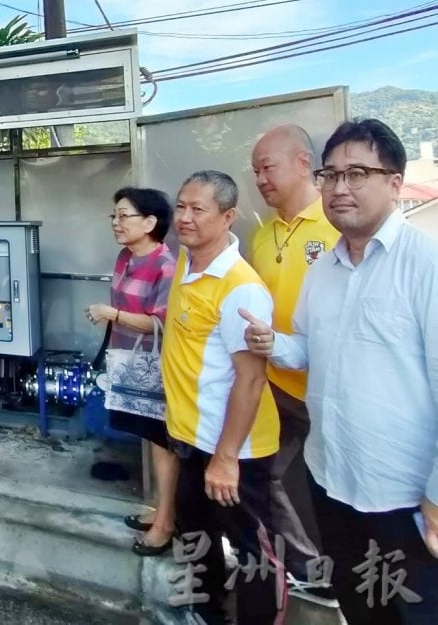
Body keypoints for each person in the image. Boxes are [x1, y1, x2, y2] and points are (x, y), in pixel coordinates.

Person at [243, 119, 438, 625]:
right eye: (332, 175)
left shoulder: (426, 265)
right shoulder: (324, 270)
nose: (340, 188)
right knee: (361, 607)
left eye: (357, 173)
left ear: (394, 183)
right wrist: (272, 344)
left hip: (405, 498)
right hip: (333, 479)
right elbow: (309, 347)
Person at [162, 171, 282, 625]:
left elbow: (250, 380)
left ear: (228, 216)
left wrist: (227, 457)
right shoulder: (186, 261)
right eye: (181, 207)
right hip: (192, 437)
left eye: (198, 210)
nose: (185, 218)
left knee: (253, 554)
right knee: (197, 537)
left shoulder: (241, 287)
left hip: (235, 451)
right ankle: (208, 615)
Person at [248, 125, 341, 602]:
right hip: (273, 380)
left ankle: (329, 575)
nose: (260, 178)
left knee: (328, 484)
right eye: (256, 170)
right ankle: (311, 572)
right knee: (280, 479)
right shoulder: (263, 235)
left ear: (304, 162)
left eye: (269, 167)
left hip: (329, 388)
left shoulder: (337, 226)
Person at [85, 187, 178, 557]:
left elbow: (162, 323)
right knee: (146, 437)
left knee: (162, 443)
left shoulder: (166, 266)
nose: (116, 223)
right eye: (114, 216)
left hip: (155, 368)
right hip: (128, 362)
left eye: (124, 216)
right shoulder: (125, 257)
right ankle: (158, 508)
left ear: (151, 222)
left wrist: (113, 315)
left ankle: (166, 522)